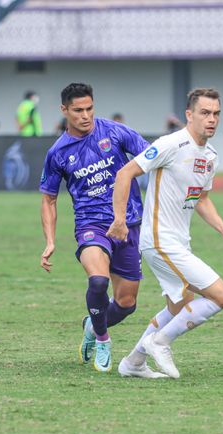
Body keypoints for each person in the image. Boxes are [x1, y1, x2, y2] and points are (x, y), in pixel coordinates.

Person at [107, 88, 223, 379]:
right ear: (189, 114)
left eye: (216, 114)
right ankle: (160, 342)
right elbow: (125, 173)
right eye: (205, 113)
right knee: (221, 295)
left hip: (178, 242)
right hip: (159, 240)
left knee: (177, 306)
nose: (212, 119)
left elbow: (202, 199)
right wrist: (120, 219)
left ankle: (132, 363)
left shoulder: (210, 156)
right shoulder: (171, 144)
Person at [39, 83, 162, 376]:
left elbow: (152, 156)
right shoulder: (58, 152)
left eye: (89, 108)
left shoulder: (116, 132)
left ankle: (91, 326)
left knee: (126, 303)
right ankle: (104, 340)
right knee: (97, 282)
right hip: (91, 226)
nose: (85, 116)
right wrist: (50, 241)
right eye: (78, 110)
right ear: (64, 111)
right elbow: (49, 199)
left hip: (130, 223)